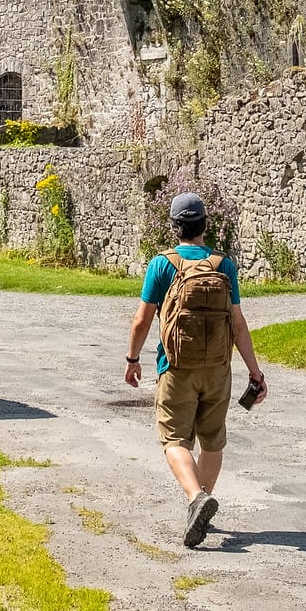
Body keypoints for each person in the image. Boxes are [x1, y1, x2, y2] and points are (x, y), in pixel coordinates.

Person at [125, 191, 268, 548]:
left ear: (174, 227)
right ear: (205, 225)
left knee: (174, 439)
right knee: (212, 442)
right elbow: (237, 323)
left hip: (176, 367)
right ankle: (201, 504)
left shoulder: (162, 264)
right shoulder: (224, 265)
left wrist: (132, 359)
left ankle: (196, 499)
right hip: (218, 369)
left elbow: (143, 319)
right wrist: (255, 372)